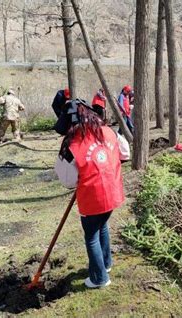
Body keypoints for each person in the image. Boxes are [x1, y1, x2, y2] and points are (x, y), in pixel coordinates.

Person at [54, 99, 130, 289]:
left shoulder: (71, 144)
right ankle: (105, 264)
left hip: (92, 198)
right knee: (101, 225)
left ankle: (99, 278)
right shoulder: (108, 131)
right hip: (112, 193)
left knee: (91, 236)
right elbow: (125, 154)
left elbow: (68, 181)